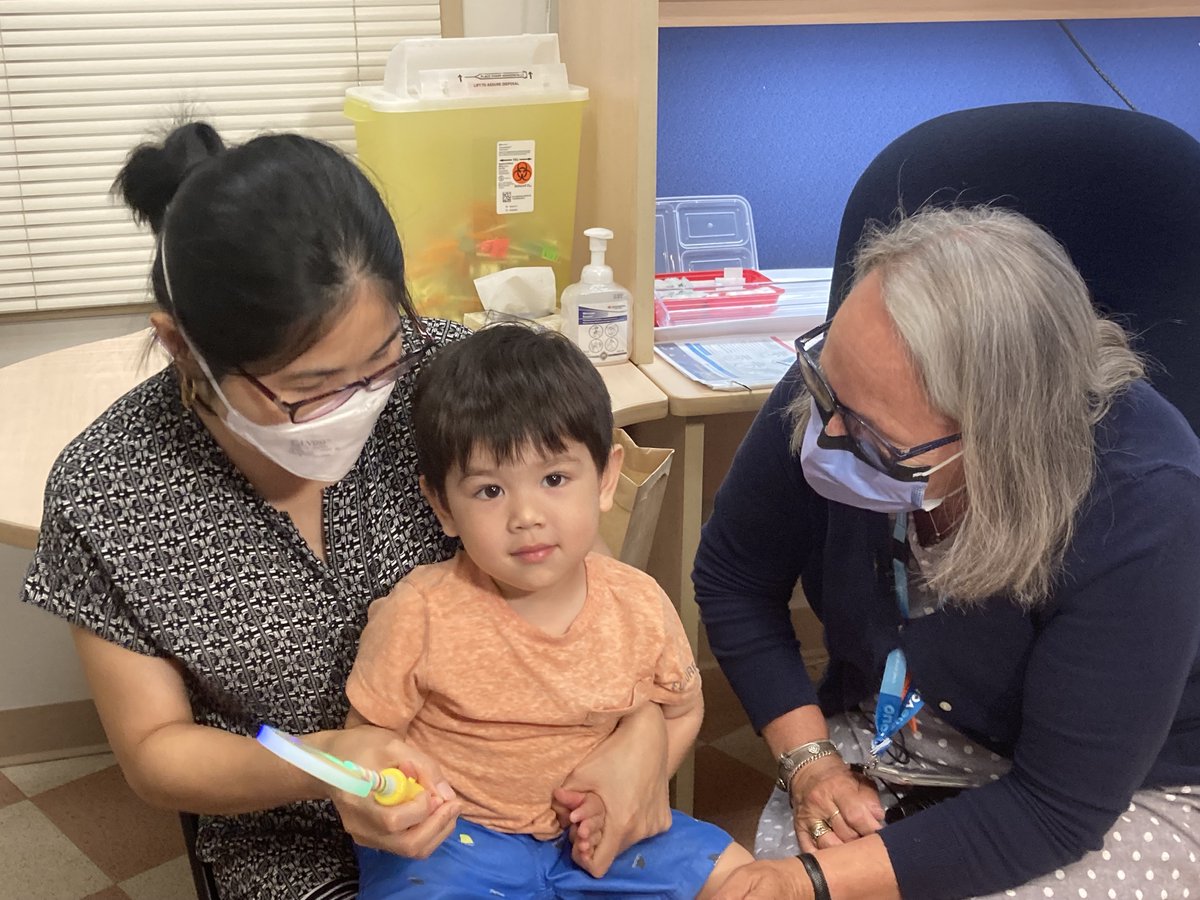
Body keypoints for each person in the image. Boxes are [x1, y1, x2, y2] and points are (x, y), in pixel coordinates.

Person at [19, 122, 674, 900]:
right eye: (310, 390)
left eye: (380, 364)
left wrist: (645, 737)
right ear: (180, 347)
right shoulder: (111, 490)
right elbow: (155, 750)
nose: (360, 407)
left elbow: (571, 565)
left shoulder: (443, 377)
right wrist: (327, 764)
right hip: (289, 841)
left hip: (537, 799)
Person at [695, 206, 1200, 900]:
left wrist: (805, 883)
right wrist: (810, 763)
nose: (826, 430)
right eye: (825, 392)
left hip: (1118, 785)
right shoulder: (850, 379)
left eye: (871, 433)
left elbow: (1057, 810)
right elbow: (732, 576)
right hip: (891, 719)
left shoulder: (1145, 505)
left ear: (996, 437)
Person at [344, 324, 754, 898]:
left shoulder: (638, 602)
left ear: (606, 478)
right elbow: (368, 735)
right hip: (458, 844)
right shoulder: (420, 611)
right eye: (490, 491)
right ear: (442, 506)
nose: (527, 515)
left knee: (745, 877)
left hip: (605, 843)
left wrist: (632, 791)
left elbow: (682, 711)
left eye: (555, 478)